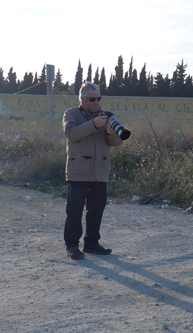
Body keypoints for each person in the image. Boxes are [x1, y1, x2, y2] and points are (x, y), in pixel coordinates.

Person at [62, 82, 123, 260]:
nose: (96, 102)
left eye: (98, 98)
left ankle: (92, 243)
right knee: (75, 210)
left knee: (96, 210)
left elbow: (116, 143)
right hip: (78, 171)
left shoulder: (107, 116)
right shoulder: (72, 113)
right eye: (92, 99)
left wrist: (111, 132)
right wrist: (94, 124)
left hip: (100, 171)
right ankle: (72, 245)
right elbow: (72, 134)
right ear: (82, 99)